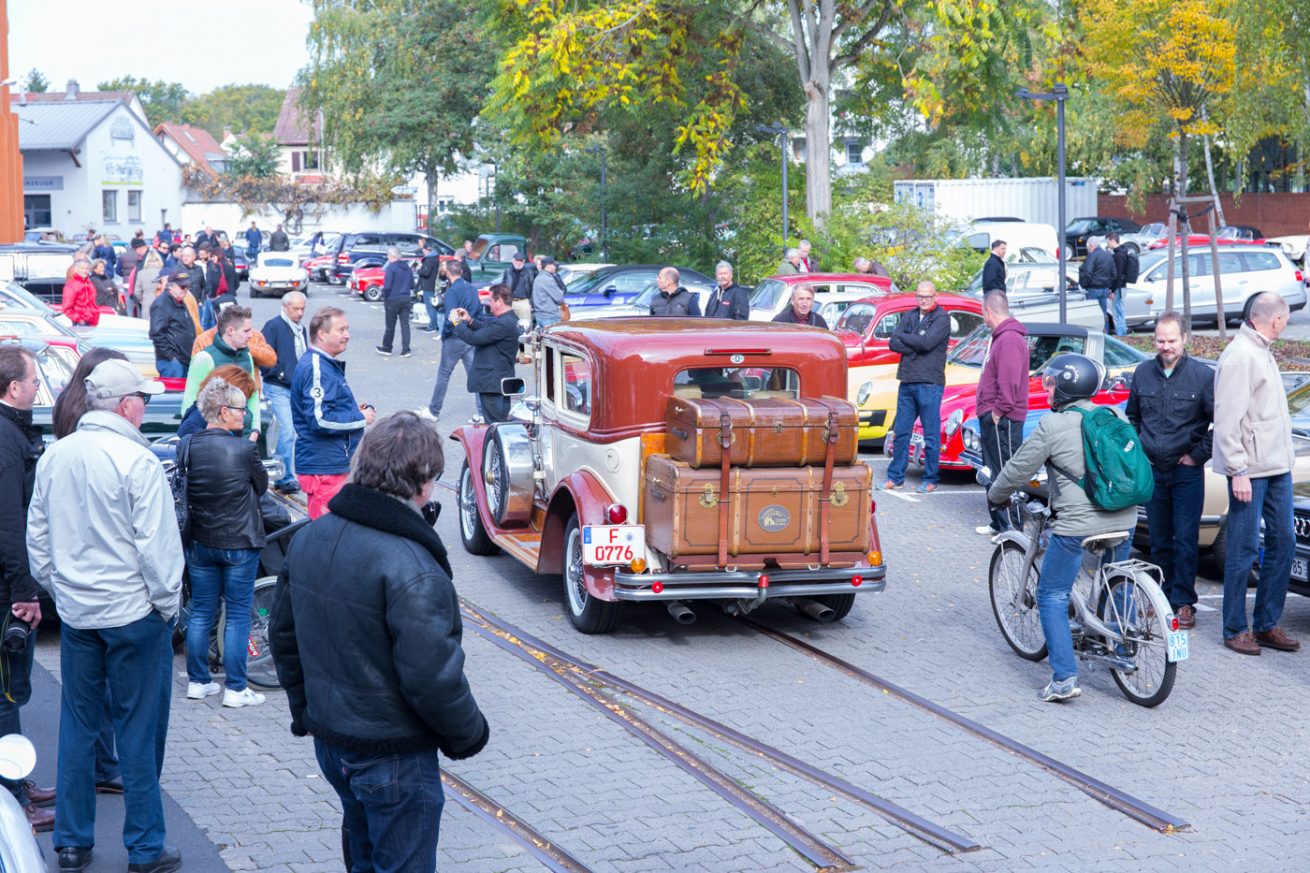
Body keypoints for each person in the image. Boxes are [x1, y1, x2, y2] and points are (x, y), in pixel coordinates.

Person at [270, 413, 489, 873]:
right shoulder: (411, 563)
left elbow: (283, 636)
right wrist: (469, 732)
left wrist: (304, 712)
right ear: (424, 483)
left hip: (334, 742)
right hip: (392, 754)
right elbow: (431, 673)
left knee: (363, 857)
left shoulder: (309, 537)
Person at [28, 359, 184, 873]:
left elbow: (40, 538)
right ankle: (144, 847)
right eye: (141, 397)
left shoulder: (58, 454)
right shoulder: (136, 461)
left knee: (78, 724)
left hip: (80, 612)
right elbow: (159, 551)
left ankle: (72, 842)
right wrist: (166, 606)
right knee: (139, 730)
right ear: (126, 405)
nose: (145, 404)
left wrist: (62, 587)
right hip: (133, 612)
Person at [987, 354, 1137, 702]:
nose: (1048, 388)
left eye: (1052, 383)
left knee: (1051, 594)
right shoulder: (1114, 414)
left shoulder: (1052, 425)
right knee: (1118, 579)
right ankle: (1123, 640)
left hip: (1077, 525)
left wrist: (996, 495)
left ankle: (1064, 679)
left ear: (1065, 387)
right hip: (1126, 518)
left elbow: (1018, 469)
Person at [1213, 293, 1299, 656]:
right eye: (1285, 318)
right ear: (1274, 319)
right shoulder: (1240, 355)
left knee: (1284, 542)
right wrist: (1238, 471)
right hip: (1251, 470)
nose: (1286, 323)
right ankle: (1235, 628)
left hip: (1277, 465)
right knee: (1243, 548)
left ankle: (1266, 624)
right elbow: (1227, 420)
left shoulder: (1260, 348)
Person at [182, 378, 270, 709]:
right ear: (223, 412)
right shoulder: (245, 449)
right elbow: (260, 487)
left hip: (200, 541)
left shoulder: (187, 445)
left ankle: (198, 681)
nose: (245, 415)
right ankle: (235, 688)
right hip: (239, 541)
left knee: (202, 610)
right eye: (239, 409)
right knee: (236, 614)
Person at [1125, 311, 1213, 630]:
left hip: (1186, 472)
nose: (1165, 346)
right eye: (1160, 340)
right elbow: (1132, 417)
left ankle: (1184, 602)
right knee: (1159, 538)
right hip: (1153, 470)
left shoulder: (1202, 376)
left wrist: (1196, 456)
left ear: (1185, 339)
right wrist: (1139, 450)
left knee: (1186, 538)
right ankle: (1162, 598)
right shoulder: (1143, 373)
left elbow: (1218, 424)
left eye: (1171, 340)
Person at [0, 348, 56, 833]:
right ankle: (13, 797)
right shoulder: (5, 438)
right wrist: (24, 588)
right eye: (34, 381)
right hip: (3, 587)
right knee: (4, 693)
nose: (38, 389)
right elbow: (8, 520)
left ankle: (16, 786)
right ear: (13, 388)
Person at [292, 307, 376, 518]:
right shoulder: (316, 367)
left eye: (346, 329)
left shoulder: (322, 364)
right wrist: (359, 418)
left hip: (329, 464)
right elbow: (320, 420)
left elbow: (322, 409)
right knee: (328, 535)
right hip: (325, 468)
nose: (347, 335)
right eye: (341, 330)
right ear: (322, 334)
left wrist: (350, 411)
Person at [883, 281, 949, 493]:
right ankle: (895, 477)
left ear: (935, 296)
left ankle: (930, 479)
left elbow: (928, 343)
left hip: (930, 383)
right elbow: (893, 342)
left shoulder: (942, 318)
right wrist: (915, 344)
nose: (924, 300)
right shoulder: (910, 315)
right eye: (920, 296)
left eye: (928, 296)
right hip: (907, 381)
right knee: (901, 432)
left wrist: (908, 341)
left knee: (931, 435)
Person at [974, 291, 1028, 536]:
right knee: (992, 471)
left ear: (988, 310)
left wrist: (998, 410)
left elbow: (1010, 381)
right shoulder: (1001, 337)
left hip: (1003, 418)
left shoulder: (1008, 339)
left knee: (1005, 471)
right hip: (995, 415)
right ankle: (999, 522)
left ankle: (1012, 526)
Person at [181, 305, 261, 438]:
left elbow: (253, 397)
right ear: (230, 331)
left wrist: (255, 431)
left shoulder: (247, 357)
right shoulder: (205, 358)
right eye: (246, 331)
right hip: (217, 440)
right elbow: (190, 403)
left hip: (246, 438)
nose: (251, 335)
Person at [261, 291, 309, 493]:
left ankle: (287, 473)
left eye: (302, 309)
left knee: (294, 432)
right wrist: (278, 372)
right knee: (286, 431)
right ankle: (284, 477)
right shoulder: (274, 326)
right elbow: (264, 355)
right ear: (285, 307)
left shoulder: (300, 329)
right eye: (295, 309)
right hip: (278, 386)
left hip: (295, 388)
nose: (299, 313)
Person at [452, 285, 520, 423]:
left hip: (492, 382)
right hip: (499, 380)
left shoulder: (504, 324)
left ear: (500, 301)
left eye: (490, 301)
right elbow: (488, 330)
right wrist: (469, 320)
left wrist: (457, 322)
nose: (489, 304)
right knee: (498, 421)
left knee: (495, 424)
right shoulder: (509, 319)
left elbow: (474, 338)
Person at [420, 262, 480, 422]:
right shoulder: (472, 289)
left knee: (444, 373)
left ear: (448, 273)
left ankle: (434, 410)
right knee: (474, 374)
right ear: (461, 271)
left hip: (454, 337)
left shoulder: (452, 292)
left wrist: (445, 333)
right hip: (470, 335)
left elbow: (450, 317)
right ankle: (481, 412)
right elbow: (477, 310)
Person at [148, 268, 197, 379]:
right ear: (171, 286)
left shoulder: (179, 302)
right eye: (182, 287)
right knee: (172, 394)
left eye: (187, 287)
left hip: (183, 358)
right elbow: (156, 333)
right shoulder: (162, 303)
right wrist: (171, 356)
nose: (185, 290)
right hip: (172, 362)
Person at [375, 247, 415, 358]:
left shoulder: (391, 268)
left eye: (388, 256)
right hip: (406, 298)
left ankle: (387, 347)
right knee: (405, 325)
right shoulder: (407, 267)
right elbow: (412, 285)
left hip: (393, 299)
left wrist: (384, 296)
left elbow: (387, 286)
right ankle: (406, 349)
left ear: (392, 256)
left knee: (390, 325)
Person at [1077, 237, 1116, 333]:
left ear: (1091, 246)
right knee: (1103, 313)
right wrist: (1109, 286)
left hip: (1093, 288)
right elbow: (1114, 274)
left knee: (1093, 314)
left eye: (1088, 247)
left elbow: (1087, 272)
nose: (1088, 249)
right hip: (1105, 289)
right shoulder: (1108, 256)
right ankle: (1105, 333)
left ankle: (1094, 333)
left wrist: (1084, 285)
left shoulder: (1092, 256)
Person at [499, 251, 537, 329]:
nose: (518, 263)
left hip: (524, 302)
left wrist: (531, 303)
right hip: (510, 302)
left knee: (526, 327)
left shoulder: (529, 272)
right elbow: (503, 287)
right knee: (510, 327)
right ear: (513, 261)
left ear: (523, 261)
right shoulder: (508, 271)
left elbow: (533, 288)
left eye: (520, 261)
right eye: (517, 260)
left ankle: (526, 341)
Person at [62, 257, 100, 327]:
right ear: (76, 270)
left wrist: (96, 315)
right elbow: (67, 308)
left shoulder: (89, 283)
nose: (85, 271)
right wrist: (79, 320)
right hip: (80, 323)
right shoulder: (71, 286)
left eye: (86, 268)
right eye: (82, 268)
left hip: (92, 321)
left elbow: (93, 302)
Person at [1105, 233, 1130, 337]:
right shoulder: (1122, 252)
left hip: (1119, 288)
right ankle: (1122, 334)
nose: (1107, 244)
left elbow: (1117, 275)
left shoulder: (1118, 256)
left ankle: (1121, 336)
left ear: (1112, 240)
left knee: (1118, 314)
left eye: (1107, 241)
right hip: (1121, 287)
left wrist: (1112, 290)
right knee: (1119, 313)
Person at [531, 257, 567, 328]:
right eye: (553, 265)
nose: (555, 267)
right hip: (549, 317)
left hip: (540, 316)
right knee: (554, 338)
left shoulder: (538, 278)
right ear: (548, 266)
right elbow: (559, 298)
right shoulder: (547, 279)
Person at [417, 240, 443, 332]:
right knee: (432, 306)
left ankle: (433, 326)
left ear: (426, 250)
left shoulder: (429, 260)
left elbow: (426, 273)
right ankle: (434, 325)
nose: (423, 252)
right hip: (432, 285)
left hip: (428, 286)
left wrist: (418, 270)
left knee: (430, 307)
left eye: (423, 250)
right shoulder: (435, 258)